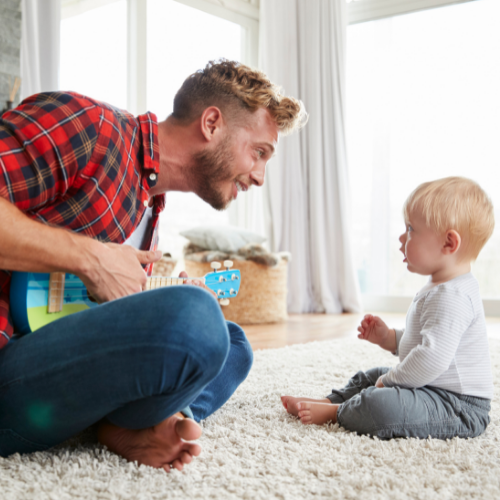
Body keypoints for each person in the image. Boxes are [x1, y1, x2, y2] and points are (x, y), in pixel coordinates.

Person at [0, 59, 306, 470]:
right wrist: (92, 260)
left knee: (233, 343)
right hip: (10, 364)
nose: (259, 177)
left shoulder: (150, 212)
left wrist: (153, 297)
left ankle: (145, 424)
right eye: (259, 152)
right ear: (212, 123)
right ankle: (146, 419)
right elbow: (95, 269)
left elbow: (87, 312)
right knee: (195, 321)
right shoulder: (90, 127)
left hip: (54, 374)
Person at [282, 177, 494, 440]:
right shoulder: (440, 287)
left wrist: (390, 382)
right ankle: (328, 401)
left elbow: (430, 358)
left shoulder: (454, 296)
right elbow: (422, 341)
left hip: (459, 407)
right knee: (372, 377)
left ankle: (336, 413)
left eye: (411, 229)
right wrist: (389, 338)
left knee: (379, 403)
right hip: (433, 387)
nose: (402, 237)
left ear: (449, 243)